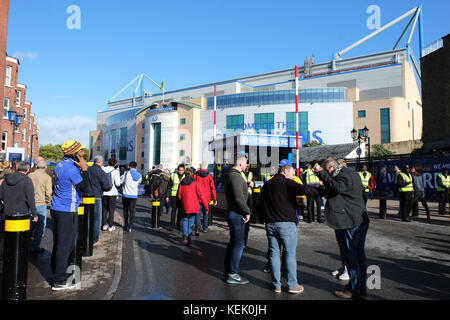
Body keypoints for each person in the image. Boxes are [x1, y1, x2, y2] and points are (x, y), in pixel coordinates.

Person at [314, 158, 370, 299]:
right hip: (357, 218)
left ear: (331, 168)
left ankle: (354, 289)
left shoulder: (343, 175)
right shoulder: (351, 173)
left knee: (351, 256)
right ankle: (361, 287)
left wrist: (322, 174)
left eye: (327, 172)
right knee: (359, 255)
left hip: (351, 221)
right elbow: (339, 191)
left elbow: (338, 187)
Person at [258, 165, 318, 294]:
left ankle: (276, 285)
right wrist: (323, 190)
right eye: (292, 174)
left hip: (270, 224)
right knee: (289, 254)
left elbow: (260, 204)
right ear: (285, 172)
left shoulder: (267, 184)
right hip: (286, 224)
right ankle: (292, 285)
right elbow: (304, 189)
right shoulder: (286, 182)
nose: (294, 177)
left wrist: (264, 219)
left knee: (274, 253)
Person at [50, 140, 90, 290]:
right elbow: (85, 187)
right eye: (80, 151)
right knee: (65, 244)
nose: (83, 153)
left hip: (57, 208)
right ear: (74, 153)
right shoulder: (72, 169)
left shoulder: (61, 165)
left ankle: (55, 270)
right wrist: (85, 169)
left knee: (58, 241)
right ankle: (59, 281)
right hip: (67, 209)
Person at [223, 155, 251, 285]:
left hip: (234, 213)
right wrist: (247, 211)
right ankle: (233, 274)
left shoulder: (232, 175)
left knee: (234, 243)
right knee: (238, 244)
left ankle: (228, 271)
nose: (247, 166)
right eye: (246, 163)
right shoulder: (235, 176)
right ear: (240, 164)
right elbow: (239, 198)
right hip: (237, 214)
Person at [177, 168, 209, 246]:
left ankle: (185, 236)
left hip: (184, 206)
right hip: (194, 206)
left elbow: (179, 196)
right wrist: (206, 206)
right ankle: (189, 237)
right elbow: (201, 195)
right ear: (191, 174)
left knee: (185, 220)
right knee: (191, 221)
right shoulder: (195, 183)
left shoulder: (181, 183)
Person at [28, 160, 53, 254]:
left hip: (30, 203)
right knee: (40, 227)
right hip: (41, 203)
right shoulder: (46, 177)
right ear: (45, 167)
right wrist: (47, 200)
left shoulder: (30, 175)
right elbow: (49, 192)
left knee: (30, 225)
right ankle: (35, 246)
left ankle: (26, 243)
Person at [87, 155, 111, 247]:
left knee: (88, 218)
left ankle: (87, 237)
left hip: (86, 197)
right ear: (101, 162)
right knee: (97, 219)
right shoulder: (101, 171)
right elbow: (107, 186)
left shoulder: (88, 169)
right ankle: (94, 240)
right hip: (96, 197)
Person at [194, 162, 217, 233]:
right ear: (206, 167)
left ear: (200, 167)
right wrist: (215, 199)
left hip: (198, 197)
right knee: (206, 213)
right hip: (207, 198)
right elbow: (213, 188)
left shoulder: (195, 175)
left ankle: (197, 228)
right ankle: (205, 228)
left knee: (198, 213)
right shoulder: (209, 176)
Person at [121, 161, 142, 232]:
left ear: (129, 166)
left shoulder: (126, 173)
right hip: (134, 195)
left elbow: (121, 182)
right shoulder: (139, 175)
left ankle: (126, 225)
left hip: (125, 194)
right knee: (132, 211)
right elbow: (139, 183)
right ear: (136, 167)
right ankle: (130, 226)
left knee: (125, 210)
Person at [102, 158, 121, 232]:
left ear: (108, 162)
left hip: (103, 192)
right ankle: (110, 226)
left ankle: (104, 225)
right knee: (111, 210)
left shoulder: (103, 169)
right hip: (112, 193)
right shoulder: (115, 171)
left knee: (104, 210)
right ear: (115, 164)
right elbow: (118, 183)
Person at [167, 164, 185, 231]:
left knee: (180, 211)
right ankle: (172, 225)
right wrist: (167, 196)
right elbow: (169, 186)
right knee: (174, 210)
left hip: (182, 196)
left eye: (182, 170)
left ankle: (178, 225)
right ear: (177, 170)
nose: (180, 171)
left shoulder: (185, 176)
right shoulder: (173, 176)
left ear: (184, 170)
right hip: (174, 196)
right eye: (179, 170)